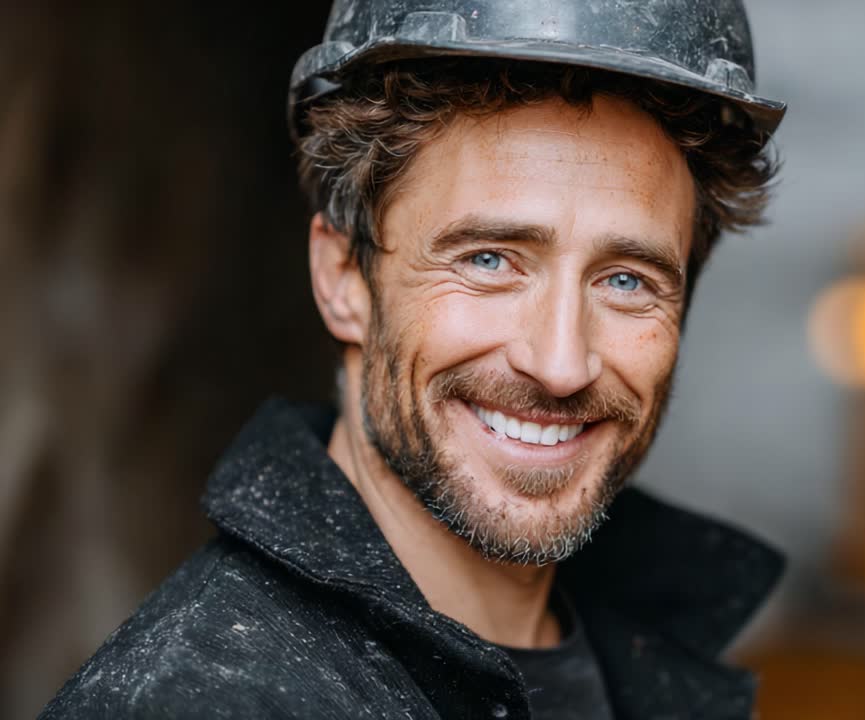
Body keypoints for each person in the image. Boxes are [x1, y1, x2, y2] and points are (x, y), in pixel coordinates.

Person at [42, 0, 785, 717]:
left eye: (627, 281)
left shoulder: (641, 652)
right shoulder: (196, 703)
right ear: (343, 280)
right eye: (491, 260)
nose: (560, 363)